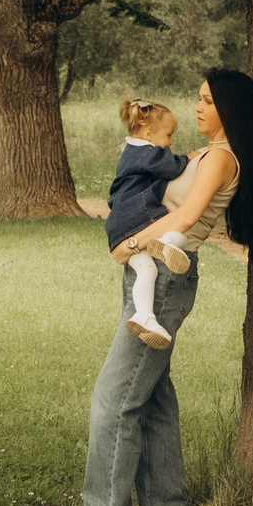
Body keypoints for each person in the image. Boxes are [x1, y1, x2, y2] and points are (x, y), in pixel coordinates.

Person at [57, 68, 253, 506]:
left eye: (208, 102)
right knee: (152, 395)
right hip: (152, 272)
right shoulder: (202, 154)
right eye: (197, 99)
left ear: (229, 111)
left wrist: (127, 241)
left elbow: (187, 216)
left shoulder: (221, 159)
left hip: (167, 274)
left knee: (115, 396)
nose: (198, 108)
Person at [106, 98, 191, 349]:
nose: (170, 142)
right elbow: (171, 167)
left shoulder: (133, 151)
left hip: (120, 227)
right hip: (137, 217)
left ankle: (144, 316)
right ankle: (164, 243)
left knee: (147, 270)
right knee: (178, 232)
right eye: (168, 135)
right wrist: (188, 158)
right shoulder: (145, 152)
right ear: (149, 133)